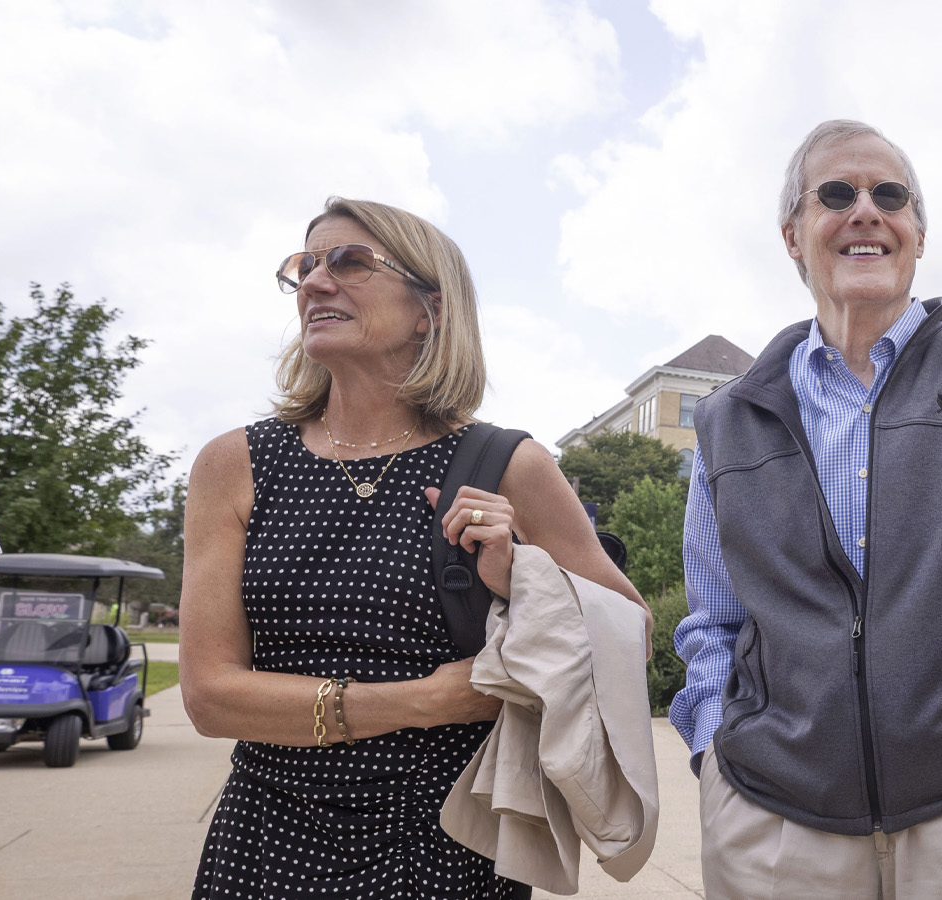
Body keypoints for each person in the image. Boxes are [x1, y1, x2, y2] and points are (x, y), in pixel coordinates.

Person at [671, 119, 942, 899]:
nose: (865, 209)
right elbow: (714, 625)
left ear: (918, 234)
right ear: (793, 235)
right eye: (836, 193)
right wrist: (713, 759)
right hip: (776, 828)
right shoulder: (729, 419)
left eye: (889, 195)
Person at [181, 197, 643, 899]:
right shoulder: (237, 464)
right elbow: (211, 697)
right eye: (305, 266)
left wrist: (522, 574)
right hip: (263, 845)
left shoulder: (507, 463)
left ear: (430, 309)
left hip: (449, 850)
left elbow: (628, 635)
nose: (314, 281)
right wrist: (422, 701)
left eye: (349, 262)